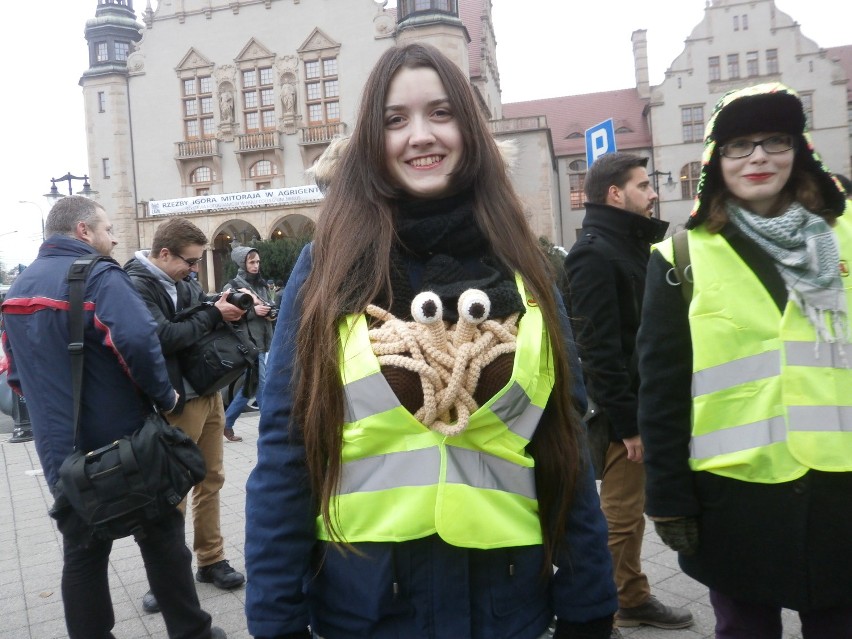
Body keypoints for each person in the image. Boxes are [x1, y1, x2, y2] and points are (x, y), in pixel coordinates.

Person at [244, 43, 617, 639]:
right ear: (373, 139)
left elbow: (563, 442)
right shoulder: (329, 265)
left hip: (505, 605)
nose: (420, 135)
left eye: (440, 113)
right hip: (368, 609)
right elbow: (286, 454)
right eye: (395, 119)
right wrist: (275, 619)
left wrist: (589, 605)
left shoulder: (524, 264)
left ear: (469, 130)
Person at [637, 82, 852, 638]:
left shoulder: (846, 235)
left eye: (774, 141)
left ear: (798, 149)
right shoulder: (678, 257)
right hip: (736, 500)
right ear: (716, 159)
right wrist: (668, 499)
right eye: (739, 145)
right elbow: (661, 388)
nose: (758, 156)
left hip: (840, 493)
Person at [1, 196, 226, 639]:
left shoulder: (19, 288)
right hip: (124, 440)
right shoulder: (100, 275)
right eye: (107, 229)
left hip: (58, 447)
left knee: (83, 551)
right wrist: (165, 396)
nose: (115, 237)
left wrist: (51, 411)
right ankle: (193, 632)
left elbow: (14, 370)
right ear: (84, 231)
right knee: (162, 537)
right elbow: (140, 342)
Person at [562, 153, 692, 636]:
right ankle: (617, 601)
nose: (653, 193)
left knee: (630, 513)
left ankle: (630, 594)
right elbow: (597, 349)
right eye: (643, 186)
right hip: (626, 410)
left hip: (650, 402)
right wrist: (628, 424)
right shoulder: (594, 253)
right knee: (620, 514)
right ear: (615, 194)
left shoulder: (634, 245)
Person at [124, 218, 247, 614]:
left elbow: (193, 318)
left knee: (211, 478)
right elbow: (161, 338)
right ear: (164, 254)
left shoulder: (182, 280)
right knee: (172, 490)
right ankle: (165, 577)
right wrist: (212, 316)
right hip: (174, 400)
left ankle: (211, 560)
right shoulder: (135, 284)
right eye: (190, 262)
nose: (194, 269)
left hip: (208, 392)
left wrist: (223, 307)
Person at [221, 244, 275, 441]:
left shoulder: (261, 284)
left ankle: (226, 424)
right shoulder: (233, 286)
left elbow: (271, 306)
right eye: (251, 261)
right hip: (247, 344)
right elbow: (228, 315)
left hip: (264, 340)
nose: (256, 265)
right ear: (242, 262)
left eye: (258, 261)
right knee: (262, 386)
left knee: (249, 388)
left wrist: (269, 312)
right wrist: (254, 311)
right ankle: (270, 429)